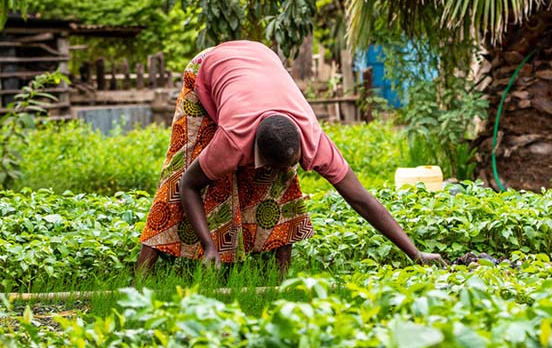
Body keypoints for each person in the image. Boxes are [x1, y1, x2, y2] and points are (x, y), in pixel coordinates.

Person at [136, 40, 444, 275]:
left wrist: (415, 254)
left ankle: (279, 277)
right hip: (207, 68)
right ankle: (143, 274)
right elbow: (190, 184)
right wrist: (209, 247)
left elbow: (361, 199)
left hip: (260, 62)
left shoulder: (312, 137)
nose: (277, 172)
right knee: (182, 168)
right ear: (253, 150)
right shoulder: (233, 139)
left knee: (281, 183)